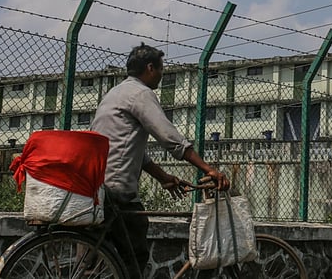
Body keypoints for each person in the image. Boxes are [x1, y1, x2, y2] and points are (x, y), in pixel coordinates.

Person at [91, 43, 230, 278]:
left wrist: (163, 177)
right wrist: (209, 169)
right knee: (135, 253)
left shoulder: (115, 93)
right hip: (117, 188)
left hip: (97, 185)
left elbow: (129, 149)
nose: (162, 74)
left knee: (96, 258)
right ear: (150, 68)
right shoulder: (141, 94)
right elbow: (170, 138)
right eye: (162, 68)